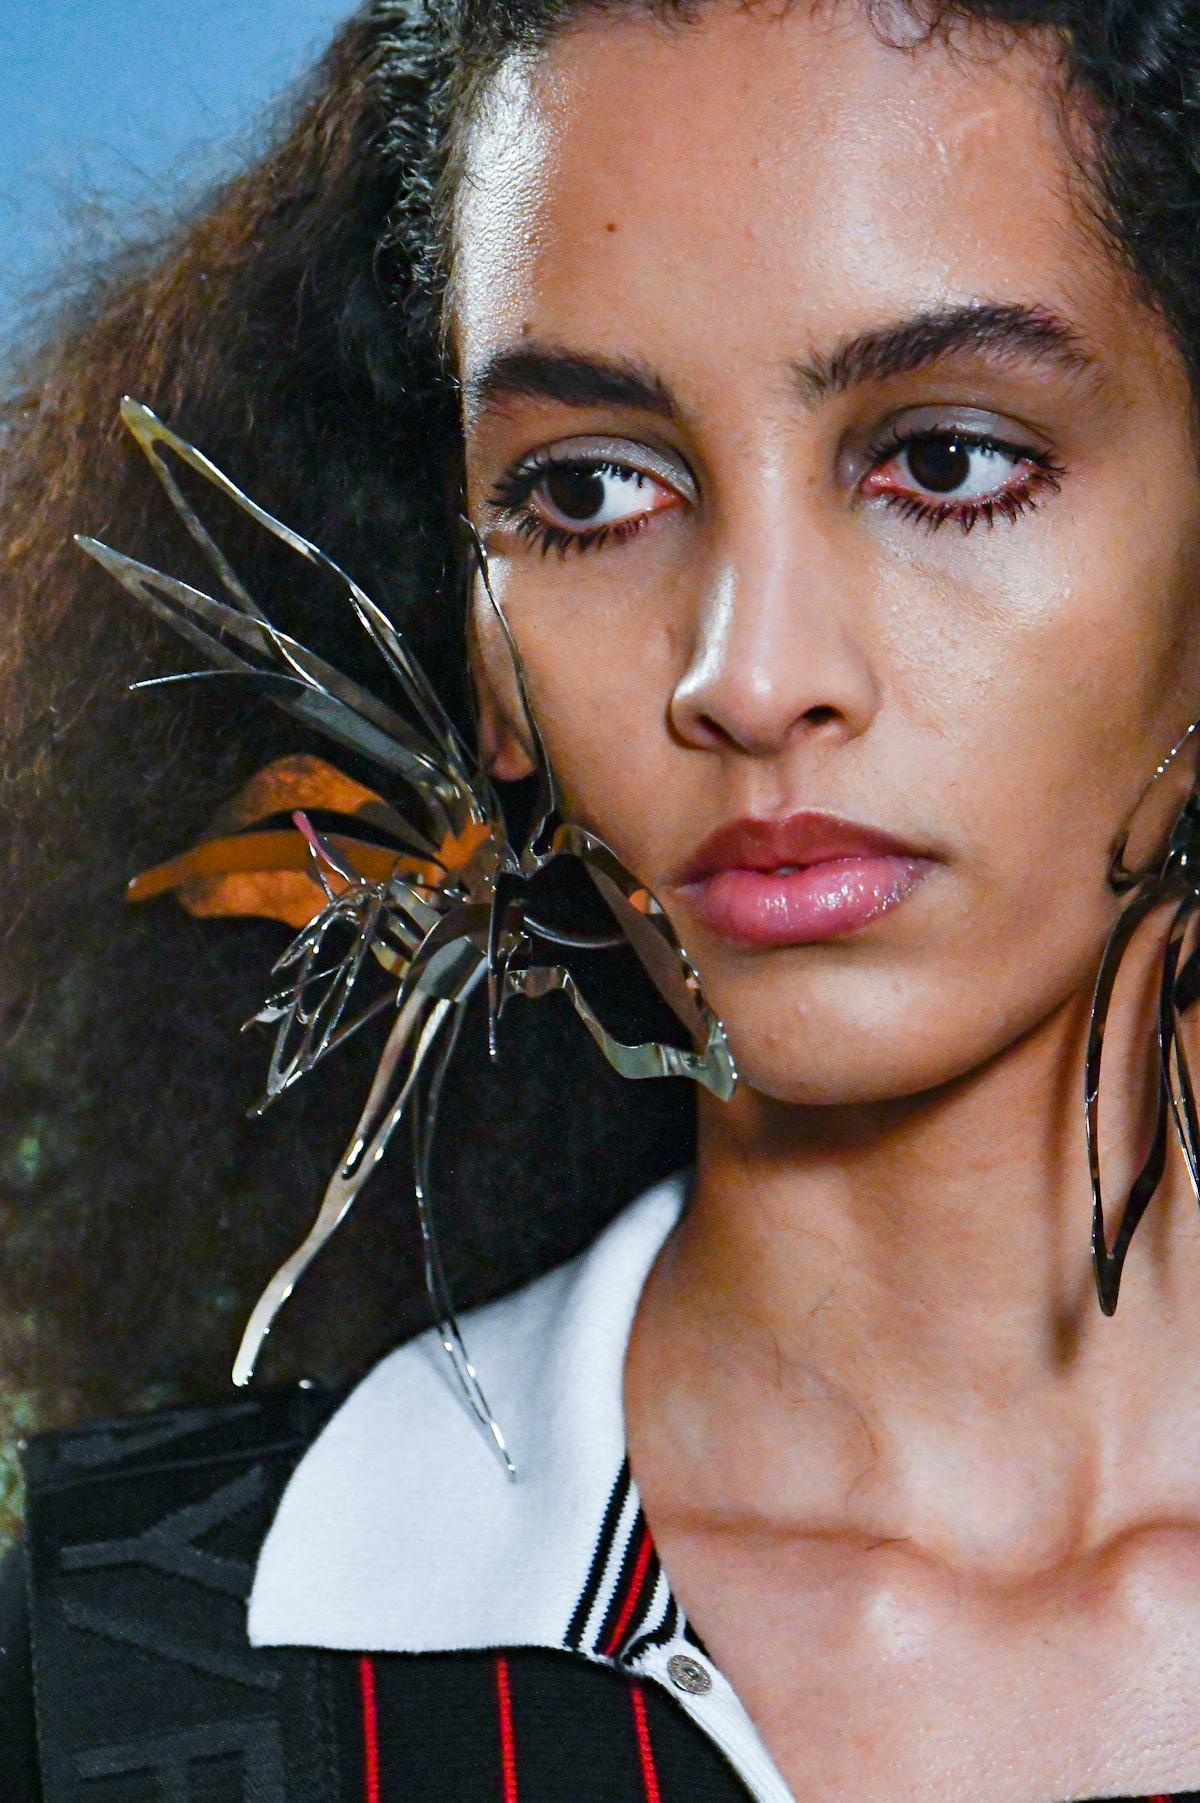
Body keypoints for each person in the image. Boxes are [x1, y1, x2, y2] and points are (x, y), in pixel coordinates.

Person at [5, 0, 1200, 1796]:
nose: (746, 671)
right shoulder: (128, 1683)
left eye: (946, 461)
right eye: (588, 492)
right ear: (484, 663)